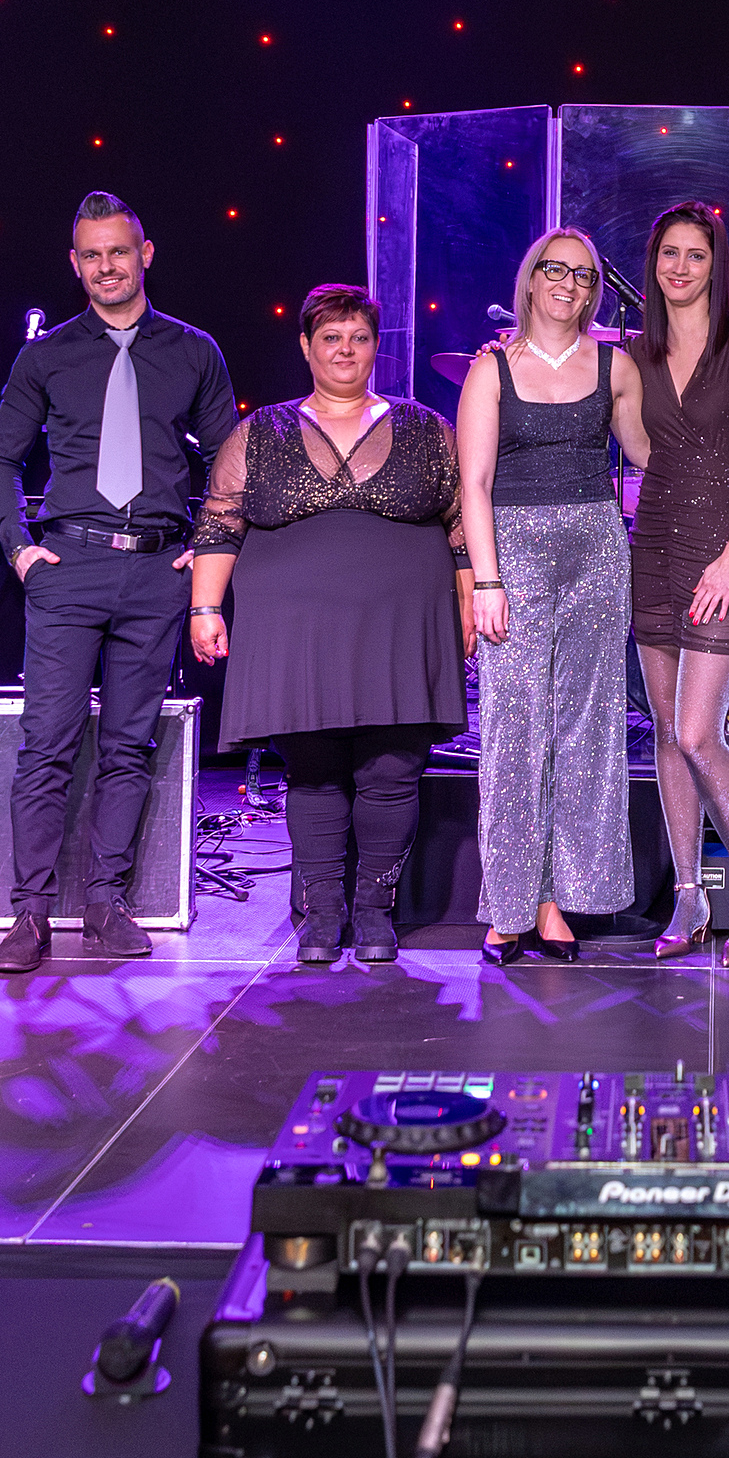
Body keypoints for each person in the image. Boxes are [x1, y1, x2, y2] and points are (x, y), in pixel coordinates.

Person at [0, 191, 236, 974]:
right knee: (46, 745)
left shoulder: (193, 351)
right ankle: (29, 913)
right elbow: (0, 458)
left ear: (144, 254)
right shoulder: (47, 355)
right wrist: (20, 549)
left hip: (157, 570)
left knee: (129, 745)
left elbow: (230, 462)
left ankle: (105, 903)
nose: (106, 267)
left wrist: (206, 549)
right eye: (91, 255)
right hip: (69, 566)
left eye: (118, 252)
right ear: (75, 263)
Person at [191, 286, 470, 964]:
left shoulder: (425, 427)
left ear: (376, 347)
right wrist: (205, 607)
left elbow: (463, 523)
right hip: (294, 630)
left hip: (403, 626)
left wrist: (469, 604)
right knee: (313, 770)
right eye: (331, 338)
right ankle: (322, 913)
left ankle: (375, 910)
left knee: (393, 770)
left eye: (359, 337)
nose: (346, 350)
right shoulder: (261, 432)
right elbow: (220, 523)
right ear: (306, 346)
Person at [457, 228, 652, 965]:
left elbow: (647, 455)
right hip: (514, 554)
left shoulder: (614, 365)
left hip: (596, 552)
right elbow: (473, 484)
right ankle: (509, 902)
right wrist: (486, 580)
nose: (570, 283)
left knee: (588, 727)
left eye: (584, 274)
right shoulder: (491, 369)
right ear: (531, 279)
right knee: (514, 730)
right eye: (556, 270)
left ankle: (556, 900)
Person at [629, 202, 729, 965]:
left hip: (726, 549)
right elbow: (633, 444)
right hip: (654, 545)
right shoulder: (635, 353)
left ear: (716, 264)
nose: (681, 267)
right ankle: (688, 897)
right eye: (670, 253)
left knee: (698, 733)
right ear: (654, 262)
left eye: (696, 254)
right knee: (666, 735)